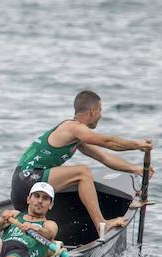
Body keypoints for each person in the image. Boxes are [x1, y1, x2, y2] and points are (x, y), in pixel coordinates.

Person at [10, 90, 153, 231]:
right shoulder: (73, 128)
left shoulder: (76, 137)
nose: (101, 115)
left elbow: (104, 157)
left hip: (23, 184)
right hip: (28, 179)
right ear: (92, 111)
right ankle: (101, 224)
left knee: (80, 178)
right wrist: (137, 145)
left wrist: (135, 168)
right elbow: (107, 141)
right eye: (100, 111)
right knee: (83, 172)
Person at [0, 182, 60, 257]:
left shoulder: (49, 224)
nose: (40, 201)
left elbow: (50, 234)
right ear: (28, 199)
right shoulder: (15, 215)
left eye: (45, 198)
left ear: (51, 205)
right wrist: (3, 219)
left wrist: (34, 228)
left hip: (24, 252)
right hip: (1, 248)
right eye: (37, 196)